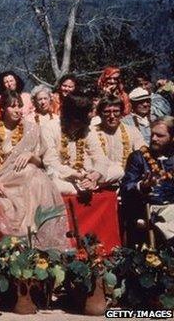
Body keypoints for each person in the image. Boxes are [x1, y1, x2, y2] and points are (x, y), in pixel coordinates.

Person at [0, 91, 68, 250]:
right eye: (13, 106)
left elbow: (41, 163)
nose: (18, 110)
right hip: (6, 180)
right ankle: (25, 238)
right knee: (32, 175)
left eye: (20, 106)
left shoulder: (31, 129)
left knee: (35, 174)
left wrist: (30, 155)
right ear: (3, 109)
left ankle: (38, 237)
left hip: (30, 179)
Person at [120, 116, 174, 246]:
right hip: (146, 211)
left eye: (160, 136)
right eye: (152, 134)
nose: (154, 139)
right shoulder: (138, 157)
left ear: (172, 138)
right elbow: (126, 187)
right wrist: (142, 186)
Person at [41, 94, 108, 195]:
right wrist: (78, 175)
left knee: (118, 170)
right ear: (77, 116)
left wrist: (94, 176)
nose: (93, 115)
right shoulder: (49, 128)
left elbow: (99, 156)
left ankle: (85, 186)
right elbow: (51, 163)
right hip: (62, 176)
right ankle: (82, 188)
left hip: (87, 173)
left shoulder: (87, 128)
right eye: (89, 112)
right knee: (52, 184)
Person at [88, 95, 145, 187]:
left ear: (122, 113)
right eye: (107, 112)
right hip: (98, 178)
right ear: (99, 113)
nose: (112, 116)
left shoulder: (132, 131)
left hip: (127, 182)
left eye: (116, 111)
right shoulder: (90, 132)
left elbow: (143, 153)